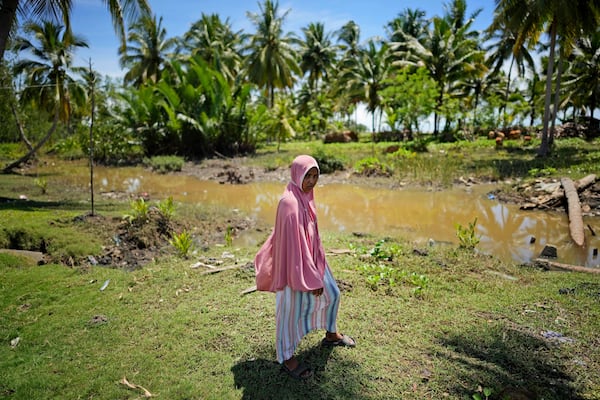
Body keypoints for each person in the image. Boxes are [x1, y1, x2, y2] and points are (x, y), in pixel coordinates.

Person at [254, 155, 355, 380]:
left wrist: (319, 265)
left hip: (311, 260)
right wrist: (311, 278)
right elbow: (294, 246)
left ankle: (331, 334)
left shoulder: (306, 196)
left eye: (315, 175)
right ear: (297, 174)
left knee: (333, 294)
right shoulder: (289, 203)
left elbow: (312, 235)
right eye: (307, 176)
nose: (311, 181)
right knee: (289, 312)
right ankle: (287, 358)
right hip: (293, 268)